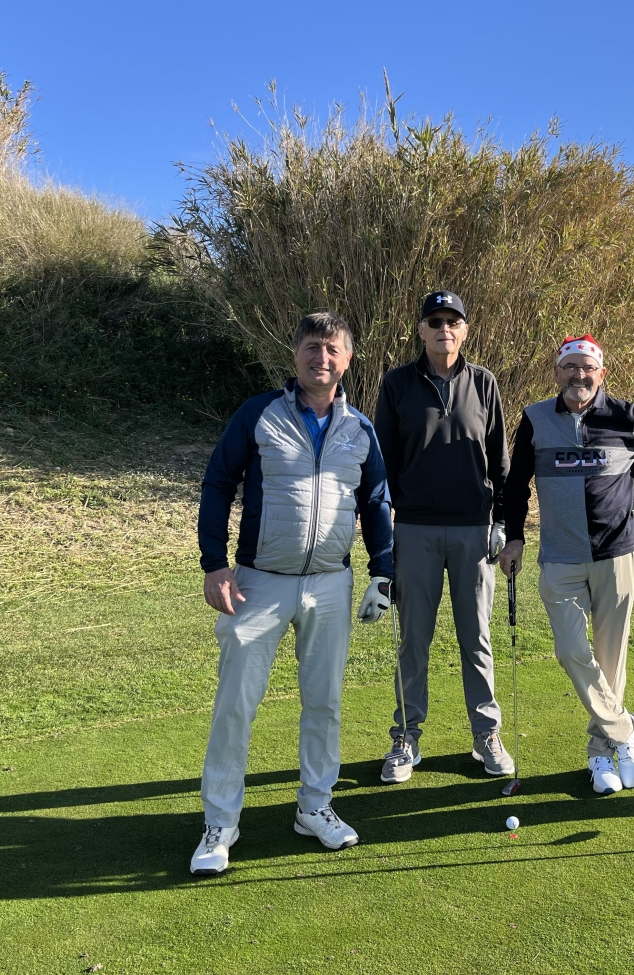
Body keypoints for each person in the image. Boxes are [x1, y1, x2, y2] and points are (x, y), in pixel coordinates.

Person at [190, 312, 394, 876]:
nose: (320, 358)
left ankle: (315, 807)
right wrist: (214, 564)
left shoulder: (360, 428)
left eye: (331, 349)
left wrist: (383, 570)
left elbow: (376, 501)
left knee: (324, 702)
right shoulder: (259, 413)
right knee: (236, 704)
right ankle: (221, 822)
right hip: (258, 581)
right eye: (311, 347)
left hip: (330, 582)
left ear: (347, 360)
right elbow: (218, 483)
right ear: (296, 354)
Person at [498, 334, 634, 795]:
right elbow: (516, 483)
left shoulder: (624, 415)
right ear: (557, 373)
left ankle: (600, 752)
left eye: (588, 368)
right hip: (560, 555)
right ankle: (625, 730)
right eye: (570, 367)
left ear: (601, 374)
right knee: (572, 651)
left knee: (611, 660)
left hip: (617, 553)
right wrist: (514, 537)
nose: (579, 375)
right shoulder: (535, 418)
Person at [373, 290, 513, 783]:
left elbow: (500, 459)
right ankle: (406, 736)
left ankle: (486, 734)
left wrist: (503, 522)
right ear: (421, 329)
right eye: (434, 321)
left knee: (477, 639)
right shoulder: (396, 384)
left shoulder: (484, 382)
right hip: (415, 528)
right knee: (414, 640)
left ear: (465, 331)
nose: (443, 329)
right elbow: (382, 463)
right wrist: (383, 536)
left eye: (453, 321)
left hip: (475, 529)